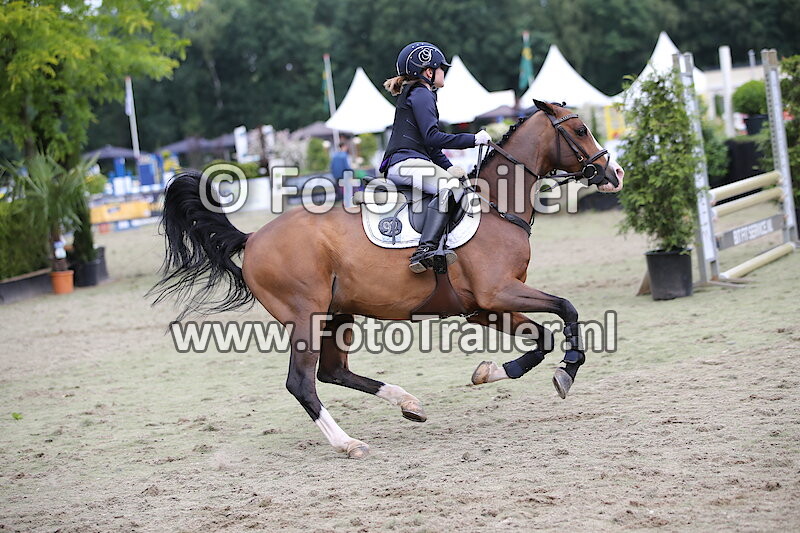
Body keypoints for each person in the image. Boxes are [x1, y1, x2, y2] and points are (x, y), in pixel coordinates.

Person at [380, 42, 491, 273]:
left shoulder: (419, 93)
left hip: (409, 162)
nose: (444, 72)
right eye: (441, 68)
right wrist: (473, 139)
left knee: (454, 183)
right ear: (428, 71)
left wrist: (451, 168)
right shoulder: (422, 94)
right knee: (450, 188)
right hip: (405, 163)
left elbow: (431, 149)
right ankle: (425, 250)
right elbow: (433, 137)